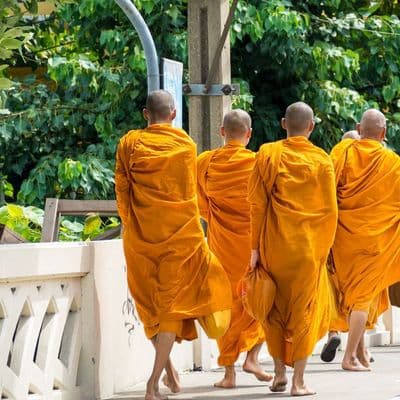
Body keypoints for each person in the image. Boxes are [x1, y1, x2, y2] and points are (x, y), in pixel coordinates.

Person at [115, 90, 232, 400]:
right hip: (181, 237)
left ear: (145, 114)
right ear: (174, 114)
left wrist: (133, 226)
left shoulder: (129, 144)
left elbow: (123, 191)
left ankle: (161, 376)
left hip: (141, 239)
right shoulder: (185, 145)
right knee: (169, 307)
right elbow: (189, 193)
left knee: (152, 307)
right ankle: (161, 377)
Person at [249, 102, 338, 396]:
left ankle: (278, 375)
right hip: (309, 251)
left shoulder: (268, 154)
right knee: (305, 311)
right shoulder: (322, 160)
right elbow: (330, 211)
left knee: (273, 310)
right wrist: (324, 251)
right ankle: (298, 381)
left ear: (284, 123)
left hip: (276, 247)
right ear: (311, 127)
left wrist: (254, 249)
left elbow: (257, 204)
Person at [197, 109, 272, 389]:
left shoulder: (205, 162)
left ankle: (229, 374)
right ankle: (252, 357)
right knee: (262, 300)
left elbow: (200, 203)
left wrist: (218, 217)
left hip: (221, 245)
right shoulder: (258, 163)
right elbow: (267, 204)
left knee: (225, 304)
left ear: (221, 132)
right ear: (249, 134)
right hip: (255, 246)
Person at [330, 109, 400, 372]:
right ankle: (348, 357)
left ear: (359, 129)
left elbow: (327, 192)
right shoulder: (393, 162)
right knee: (361, 299)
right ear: (383, 133)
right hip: (375, 241)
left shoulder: (342, 153)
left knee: (355, 296)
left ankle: (358, 354)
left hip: (343, 238)